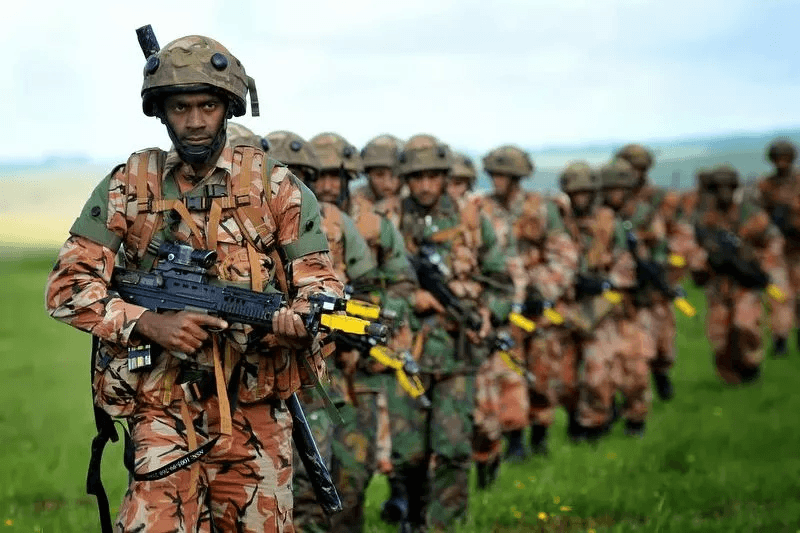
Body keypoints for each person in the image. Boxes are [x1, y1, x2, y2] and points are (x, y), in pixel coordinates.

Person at [45, 34, 343, 532]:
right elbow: (67, 287)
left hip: (256, 409)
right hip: (162, 407)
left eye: (208, 104)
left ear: (228, 107)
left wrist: (301, 322)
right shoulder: (129, 185)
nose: (196, 120)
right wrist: (148, 323)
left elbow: (320, 287)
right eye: (181, 107)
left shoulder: (276, 187)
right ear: (161, 112)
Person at [266, 130, 378, 533]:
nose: (287, 183)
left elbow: (370, 287)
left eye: (299, 175)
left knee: (314, 485)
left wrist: (348, 323)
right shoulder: (240, 222)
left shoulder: (332, 221)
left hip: (317, 371)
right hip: (256, 372)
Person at [394, 134, 507, 531]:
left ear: (445, 176)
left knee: (454, 449)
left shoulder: (472, 220)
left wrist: (490, 314)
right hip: (404, 355)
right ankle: (412, 514)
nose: (424, 185)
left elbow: (502, 283)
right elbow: (366, 285)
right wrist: (412, 300)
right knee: (408, 452)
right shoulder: (386, 221)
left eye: (432, 176)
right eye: (416, 176)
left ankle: (444, 524)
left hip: (458, 355)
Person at [481, 145, 579, 456]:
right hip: (502, 303)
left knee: (542, 374)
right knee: (506, 371)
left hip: (537, 305)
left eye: (503, 175)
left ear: (517, 178)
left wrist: (543, 289)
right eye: (494, 174)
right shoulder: (481, 208)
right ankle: (514, 439)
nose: (497, 180)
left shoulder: (541, 208)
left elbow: (564, 255)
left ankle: (541, 433)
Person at [691, 165, 786, 384]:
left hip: (746, 281)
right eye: (718, 187)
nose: (723, 192)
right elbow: (692, 247)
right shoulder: (705, 218)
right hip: (718, 282)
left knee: (745, 324)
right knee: (720, 335)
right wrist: (705, 261)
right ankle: (730, 377)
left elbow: (773, 241)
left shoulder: (749, 212)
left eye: (728, 187)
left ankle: (751, 367)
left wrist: (759, 264)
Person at [615, 143, 677, 402]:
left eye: (639, 169)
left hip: (655, 272)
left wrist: (665, 265)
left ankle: (661, 375)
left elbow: (670, 236)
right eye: (630, 168)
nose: (634, 173)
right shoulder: (613, 197)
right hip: (625, 278)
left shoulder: (656, 198)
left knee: (662, 340)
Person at [754, 139, 800, 357]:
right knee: (779, 295)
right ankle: (780, 339)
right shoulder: (765, 185)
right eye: (777, 158)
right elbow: (758, 216)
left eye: (785, 158)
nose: (781, 163)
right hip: (776, 249)